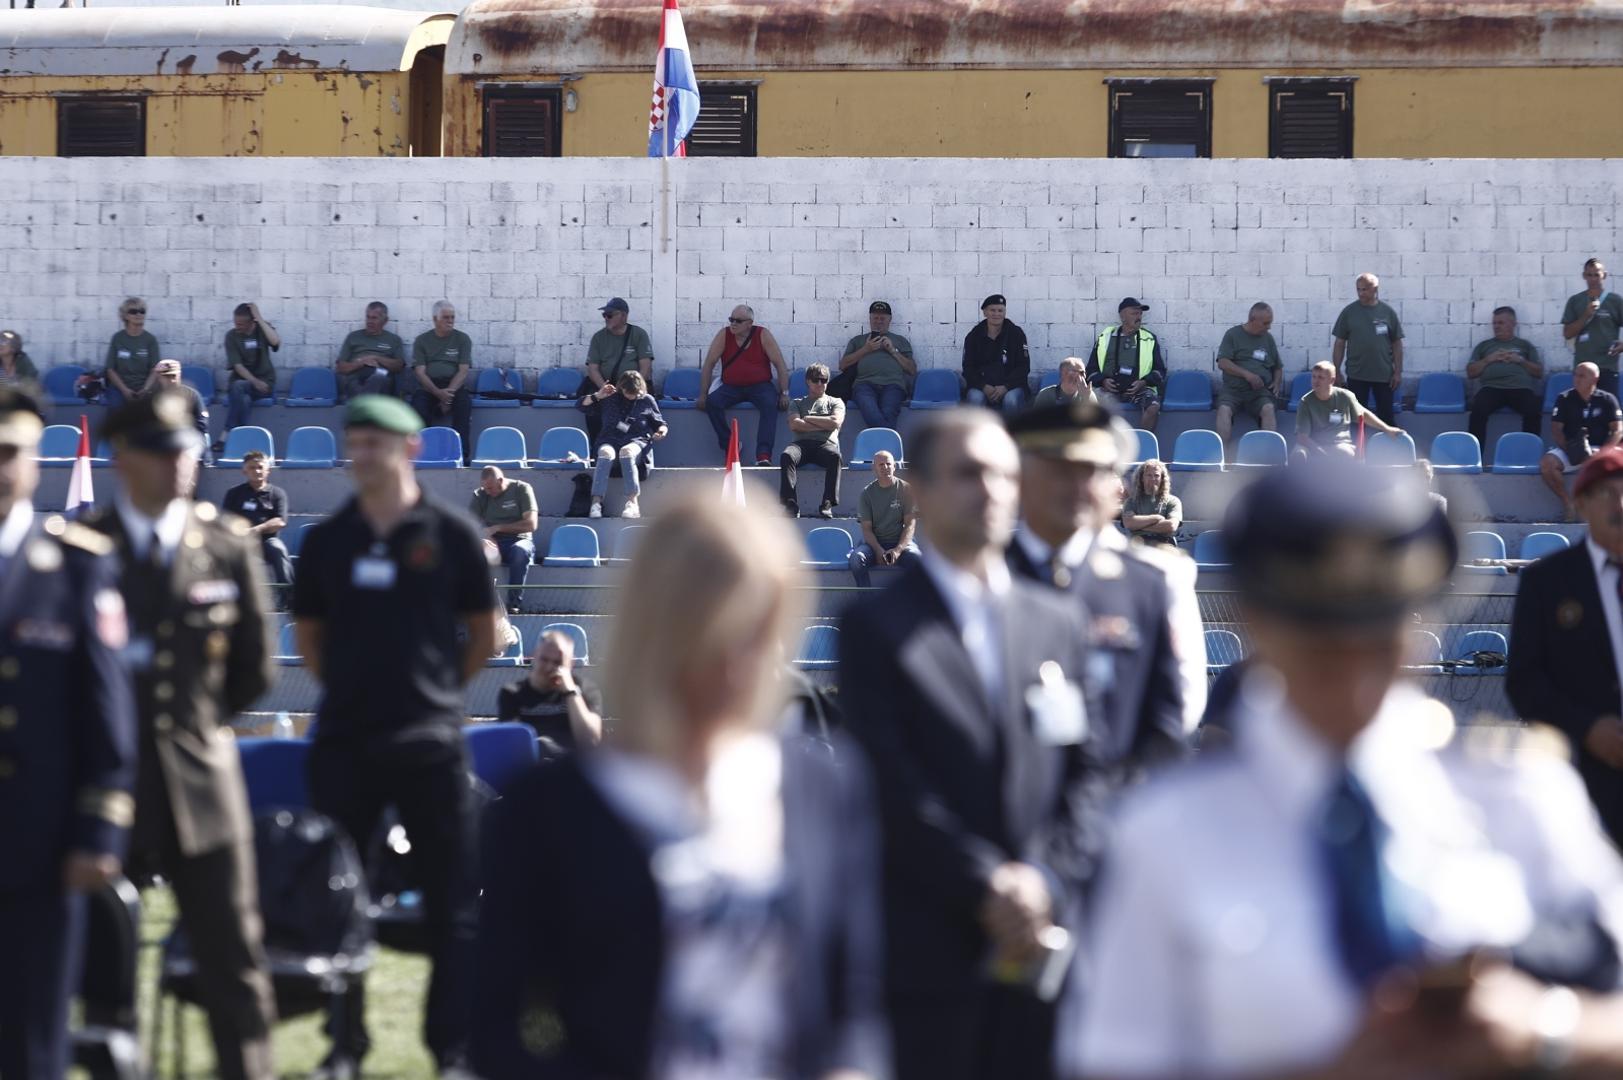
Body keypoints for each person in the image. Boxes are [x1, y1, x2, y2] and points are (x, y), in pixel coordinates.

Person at [1064, 456, 1623, 1080]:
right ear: (1256, 624)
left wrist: (1542, 1030)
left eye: (1377, 632)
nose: (1353, 667)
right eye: (1321, 638)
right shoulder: (1163, 834)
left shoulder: (1518, 793)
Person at [473, 495, 889, 1080]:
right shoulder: (545, 811)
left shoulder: (822, 786)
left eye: (760, 629)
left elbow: (858, 995)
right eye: (713, 630)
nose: (737, 662)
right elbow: (495, 1027)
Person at [839, 408, 1099, 1080]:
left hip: (1046, 956)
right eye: (966, 474)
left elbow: (1084, 779)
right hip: (934, 959)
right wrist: (989, 883)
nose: (988, 490)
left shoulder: (1060, 623)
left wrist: (1040, 881)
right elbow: (892, 783)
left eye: (1002, 474)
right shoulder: (875, 627)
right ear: (917, 492)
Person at [292, 394, 499, 1079]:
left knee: (452, 903)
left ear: (409, 448)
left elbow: (487, 632)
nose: (361, 455)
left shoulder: (452, 533)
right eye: (354, 442)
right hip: (345, 742)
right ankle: (344, 1045)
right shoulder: (327, 540)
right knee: (338, 899)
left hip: (430, 743)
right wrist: (355, 693)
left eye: (375, 443)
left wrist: (435, 693)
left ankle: (452, 1049)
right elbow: (311, 636)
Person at [82, 390, 277, 1080]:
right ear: (123, 460)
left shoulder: (223, 546)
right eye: (162, 453)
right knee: (104, 970)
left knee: (233, 958)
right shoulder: (84, 552)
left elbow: (253, 669)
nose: (178, 466)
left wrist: (191, 725)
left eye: (187, 452)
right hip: (108, 787)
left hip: (201, 781)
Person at [0, 385, 135, 1080]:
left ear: (33, 463)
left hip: (39, 839)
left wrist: (98, 833)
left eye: (9, 453)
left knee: (31, 1032)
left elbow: (105, 714)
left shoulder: (76, 565)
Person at [1006, 400, 1189, 762]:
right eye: (1060, 469)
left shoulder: (1146, 588)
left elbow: (1163, 732)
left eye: (1092, 470)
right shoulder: (982, 579)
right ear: (1021, 480)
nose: (1077, 485)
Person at [1511, 445, 1623, 846]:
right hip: (1578, 782)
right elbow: (1524, 682)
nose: (1621, 504)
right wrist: (1588, 728)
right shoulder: (1547, 583)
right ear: (1582, 503)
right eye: (1608, 493)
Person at [698, 305, 790, 465]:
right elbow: (708, 364)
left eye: (738, 321)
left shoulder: (762, 335)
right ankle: (730, 445)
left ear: (749, 323)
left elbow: (780, 364)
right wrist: (703, 394)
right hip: (731, 387)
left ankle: (763, 455)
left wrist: (784, 393)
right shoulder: (724, 335)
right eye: (731, 319)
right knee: (713, 402)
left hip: (760, 386)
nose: (733, 324)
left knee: (770, 404)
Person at [494, 629, 602, 756]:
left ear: (570, 664)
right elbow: (511, 746)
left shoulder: (584, 689)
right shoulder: (512, 693)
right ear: (534, 657)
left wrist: (570, 692)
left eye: (558, 662)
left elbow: (591, 740)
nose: (550, 667)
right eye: (544, 659)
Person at [580, 370, 667, 520]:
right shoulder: (610, 398)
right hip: (610, 439)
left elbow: (660, 423)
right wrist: (598, 396)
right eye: (628, 392)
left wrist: (661, 431)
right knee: (605, 453)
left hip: (636, 440)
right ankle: (596, 502)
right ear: (621, 388)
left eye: (634, 393)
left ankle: (632, 502)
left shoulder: (647, 400)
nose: (631, 396)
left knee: (626, 452)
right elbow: (582, 405)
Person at [1541, 361, 1623, 519]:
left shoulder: (1608, 399)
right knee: (1547, 464)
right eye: (1575, 375)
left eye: (1582, 376)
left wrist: (1603, 454)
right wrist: (1571, 450)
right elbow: (1556, 429)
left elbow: (1618, 430)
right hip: (1572, 447)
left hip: (1600, 449)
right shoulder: (1564, 398)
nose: (1576, 379)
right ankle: (1569, 503)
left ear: (1594, 379)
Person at [1466, 305, 1545, 449]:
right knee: (1478, 409)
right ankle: (1475, 456)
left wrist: (1519, 360)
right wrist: (1488, 359)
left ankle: (1529, 454)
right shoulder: (1484, 346)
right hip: (1492, 388)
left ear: (1513, 324)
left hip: (1520, 389)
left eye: (1500, 323)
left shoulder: (1524, 346)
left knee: (1533, 409)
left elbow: (1539, 372)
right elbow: (1471, 373)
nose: (1496, 326)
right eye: (1494, 323)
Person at [1331, 272, 1404, 424]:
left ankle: (1388, 447)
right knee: (1357, 419)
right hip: (1357, 374)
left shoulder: (1387, 312)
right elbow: (1339, 343)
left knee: (1386, 419)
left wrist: (1397, 371)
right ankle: (1358, 447)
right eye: (1358, 289)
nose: (1361, 293)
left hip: (1383, 375)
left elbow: (1397, 343)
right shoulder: (1349, 312)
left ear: (1375, 289)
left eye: (1365, 289)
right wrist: (1336, 371)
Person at [581, 297, 655, 447]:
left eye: (609, 315)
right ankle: (598, 452)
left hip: (631, 386)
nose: (606, 318)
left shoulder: (638, 335)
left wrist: (633, 388)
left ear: (623, 315)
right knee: (593, 414)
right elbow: (593, 368)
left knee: (637, 418)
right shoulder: (599, 337)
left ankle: (637, 449)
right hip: (607, 385)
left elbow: (645, 367)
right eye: (604, 315)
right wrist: (605, 389)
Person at [1086, 298, 1167, 431]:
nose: (1139, 317)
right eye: (1134, 313)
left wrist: (1144, 382)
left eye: (1140, 314)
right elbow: (1090, 370)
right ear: (1122, 316)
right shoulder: (1105, 337)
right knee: (1090, 404)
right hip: (1109, 390)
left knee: (1153, 407)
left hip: (1139, 389)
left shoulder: (1149, 338)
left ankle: (1144, 444)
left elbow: (1160, 371)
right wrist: (1103, 381)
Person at [1294, 359, 1403, 458]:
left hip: (1338, 444)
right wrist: (1320, 452)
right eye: (1314, 377)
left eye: (1321, 377)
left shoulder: (1345, 397)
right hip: (1313, 445)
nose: (1316, 381)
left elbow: (1363, 415)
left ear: (1332, 380)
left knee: (1344, 454)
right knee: (1298, 455)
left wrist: (1387, 429)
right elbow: (1302, 437)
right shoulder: (1306, 402)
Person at [411, 300, 475, 468]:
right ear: (435, 319)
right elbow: (419, 372)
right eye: (446, 317)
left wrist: (447, 397)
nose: (450, 321)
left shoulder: (462, 339)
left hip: (453, 386)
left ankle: (462, 455)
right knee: (418, 408)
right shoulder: (422, 341)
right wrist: (438, 393)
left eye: (452, 317)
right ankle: (423, 455)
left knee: (464, 406)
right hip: (428, 386)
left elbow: (463, 371)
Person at [220, 450, 293, 591]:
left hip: (267, 541)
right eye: (252, 468)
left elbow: (280, 521)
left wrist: (255, 530)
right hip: (240, 539)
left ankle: (287, 597)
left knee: (279, 549)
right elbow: (226, 520)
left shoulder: (277, 493)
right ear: (244, 471)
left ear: (268, 471)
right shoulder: (234, 493)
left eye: (260, 467)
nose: (257, 471)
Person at [780, 362, 845, 519]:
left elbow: (835, 422)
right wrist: (824, 425)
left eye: (824, 380)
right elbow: (795, 424)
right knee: (787, 456)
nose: (820, 383)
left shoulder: (835, 402)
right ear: (808, 381)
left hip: (825, 445)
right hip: (801, 445)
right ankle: (790, 504)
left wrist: (807, 418)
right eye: (816, 380)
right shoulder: (797, 402)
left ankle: (827, 504)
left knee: (835, 457)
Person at [469, 466, 537, 614]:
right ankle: (483, 604)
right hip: (492, 542)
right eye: (485, 488)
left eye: (491, 488)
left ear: (500, 480)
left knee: (520, 551)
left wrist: (498, 527)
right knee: (473, 552)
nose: (487, 492)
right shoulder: (480, 495)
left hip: (519, 539)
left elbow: (531, 524)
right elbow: (470, 526)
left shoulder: (521, 489)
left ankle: (514, 603)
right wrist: (483, 538)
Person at [848, 448, 920, 587]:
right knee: (856, 560)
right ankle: (866, 602)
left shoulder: (906, 489)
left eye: (888, 464)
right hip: (874, 544)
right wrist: (878, 550)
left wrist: (898, 550)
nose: (885, 467)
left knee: (917, 560)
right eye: (881, 465)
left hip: (902, 544)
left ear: (894, 466)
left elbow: (910, 525)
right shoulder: (866, 494)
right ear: (873, 468)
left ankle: (912, 604)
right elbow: (867, 529)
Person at [841, 300, 916, 428]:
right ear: (870, 319)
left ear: (890, 320)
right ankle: (889, 442)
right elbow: (842, 365)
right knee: (870, 409)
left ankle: (881, 443)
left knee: (888, 410)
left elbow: (912, 370)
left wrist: (893, 350)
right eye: (875, 318)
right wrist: (866, 349)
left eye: (883, 318)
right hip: (864, 385)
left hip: (893, 385)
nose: (879, 321)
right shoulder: (858, 340)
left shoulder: (900, 340)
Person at [1215, 302, 1283, 443]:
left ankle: (1268, 454)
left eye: (1270, 323)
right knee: (1223, 409)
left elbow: (1278, 366)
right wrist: (1248, 375)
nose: (1269, 327)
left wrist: (1277, 383)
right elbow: (1223, 362)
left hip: (1259, 393)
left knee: (1268, 408)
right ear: (1253, 320)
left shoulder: (1268, 338)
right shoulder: (1233, 335)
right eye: (1265, 323)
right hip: (1233, 390)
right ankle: (1224, 455)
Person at [220, 302, 280, 454]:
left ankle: (227, 435)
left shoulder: (261, 330)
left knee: (239, 390)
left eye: (240, 324)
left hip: (265, 383)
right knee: (243, 397)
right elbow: (237, 366)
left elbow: (275, 341)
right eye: (235, 322)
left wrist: (259, 318)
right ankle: (241, 438)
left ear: (251, 322)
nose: (237, 326)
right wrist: (255, 381)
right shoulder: (231, 336)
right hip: (243, 385)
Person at [961, 293, 1031, 415]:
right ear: (985, 312)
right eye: (992, 310)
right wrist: (983, 386)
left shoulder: (1016, 334)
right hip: (982, 387)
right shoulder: (973, 336)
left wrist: (1006, 387)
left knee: (1011, 400)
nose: (996, 314)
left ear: (1005, 312)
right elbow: (968, 368)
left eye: (1000, 310)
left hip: (1011, 387)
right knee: (975, 399)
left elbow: (1024, 367)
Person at [1563, 257, 1623, 398]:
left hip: (1607, 367)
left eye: (1597, 274)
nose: (1593, 279)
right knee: (1581, 412)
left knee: (1609, 411)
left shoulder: (1615, 301)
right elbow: (1567, 333)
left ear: (1604, 275)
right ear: (1584, 276)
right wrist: (1586, 315)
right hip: (1583, 368)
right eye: (1589, 275)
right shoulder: (1575, 301)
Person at [335, 301, 407, 401]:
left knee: (378, 379)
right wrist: (361, 363)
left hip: (381, 377)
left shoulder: (394, 340)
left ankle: (363, 406)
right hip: (356, 378)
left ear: (385, 320)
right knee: (353, 382)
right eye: (368, 317)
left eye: (374, 318)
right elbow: (340, 368)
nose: (369, 321)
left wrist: (376, 358)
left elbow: (399, 366)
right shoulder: (353, 337)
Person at [102, 297, 159, 404]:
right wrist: (124, 390)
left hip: (144, 388)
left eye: (142, 311)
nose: (139, 314)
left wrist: (145, 389)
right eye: (133, 311)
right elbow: (110, 370)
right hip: (119, 388)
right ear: (125, 316)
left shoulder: (150, 339)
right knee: (116, 408)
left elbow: (155, 370)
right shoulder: (118, 338)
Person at [152, 358, 212, 450]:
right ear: (159, 377)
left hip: (188, 444)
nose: (171, 380)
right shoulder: (152, 399)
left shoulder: (192, 395)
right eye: (166, 377)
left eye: (173, 376)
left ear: (179, 375)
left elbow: (202, 424)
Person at [1120, 458, 1181, 547]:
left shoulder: (1173, 501)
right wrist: (1156, 518)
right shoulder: (1131, 501)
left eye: (1156, 475)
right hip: (1138, 545)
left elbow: (1171, 526)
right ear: (1142, 478)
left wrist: (1139, 526)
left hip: (1163, 545)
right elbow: (1129, 523)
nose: (1153, 479)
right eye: (1149, 475)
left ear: (1162, 479)